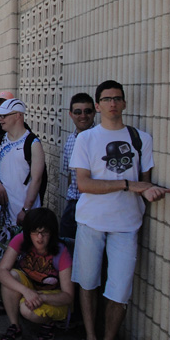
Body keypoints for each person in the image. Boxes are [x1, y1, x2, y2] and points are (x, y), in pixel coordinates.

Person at [70, 80, 170, 340]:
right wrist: (127, 184)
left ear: (124, 103)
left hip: (127, 224)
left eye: (117, 98)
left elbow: (145, 180)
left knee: (120, 288)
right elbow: (84, 183)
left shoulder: (141, 139)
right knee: (87, 282)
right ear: (98, 105)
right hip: (91, 221)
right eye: (107, 99)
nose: (113, 103)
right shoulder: (86, 139)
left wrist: (149, 190)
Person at [0, 208, 73, 340]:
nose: (39, 237)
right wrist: (26, 292)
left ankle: (50, 321)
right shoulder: (21, 239)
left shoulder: (62, 251)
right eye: (35, 232)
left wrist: (40, 297)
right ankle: (15, 326)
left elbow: (68, 295)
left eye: (44, 232)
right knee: (11, 276)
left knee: (27, 311)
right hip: (30, 288)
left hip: (52, 296)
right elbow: (1, 271)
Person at [0, 98, 45, 228]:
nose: (0, 119)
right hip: (2, 218)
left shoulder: (33, 144)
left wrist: (26, 210)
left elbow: (36, 180)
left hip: (26, 217)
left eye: (4, 116)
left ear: (18, 115)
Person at [60, 92, 95, 243]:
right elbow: (70, 176)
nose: (83, 116)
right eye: (78, 112)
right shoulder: (70, 140)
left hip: (93, 205)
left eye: (88, 111)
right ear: (70, 114)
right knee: (67, 249)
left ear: (94, 112)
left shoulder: (99, 140)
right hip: (73, 205)